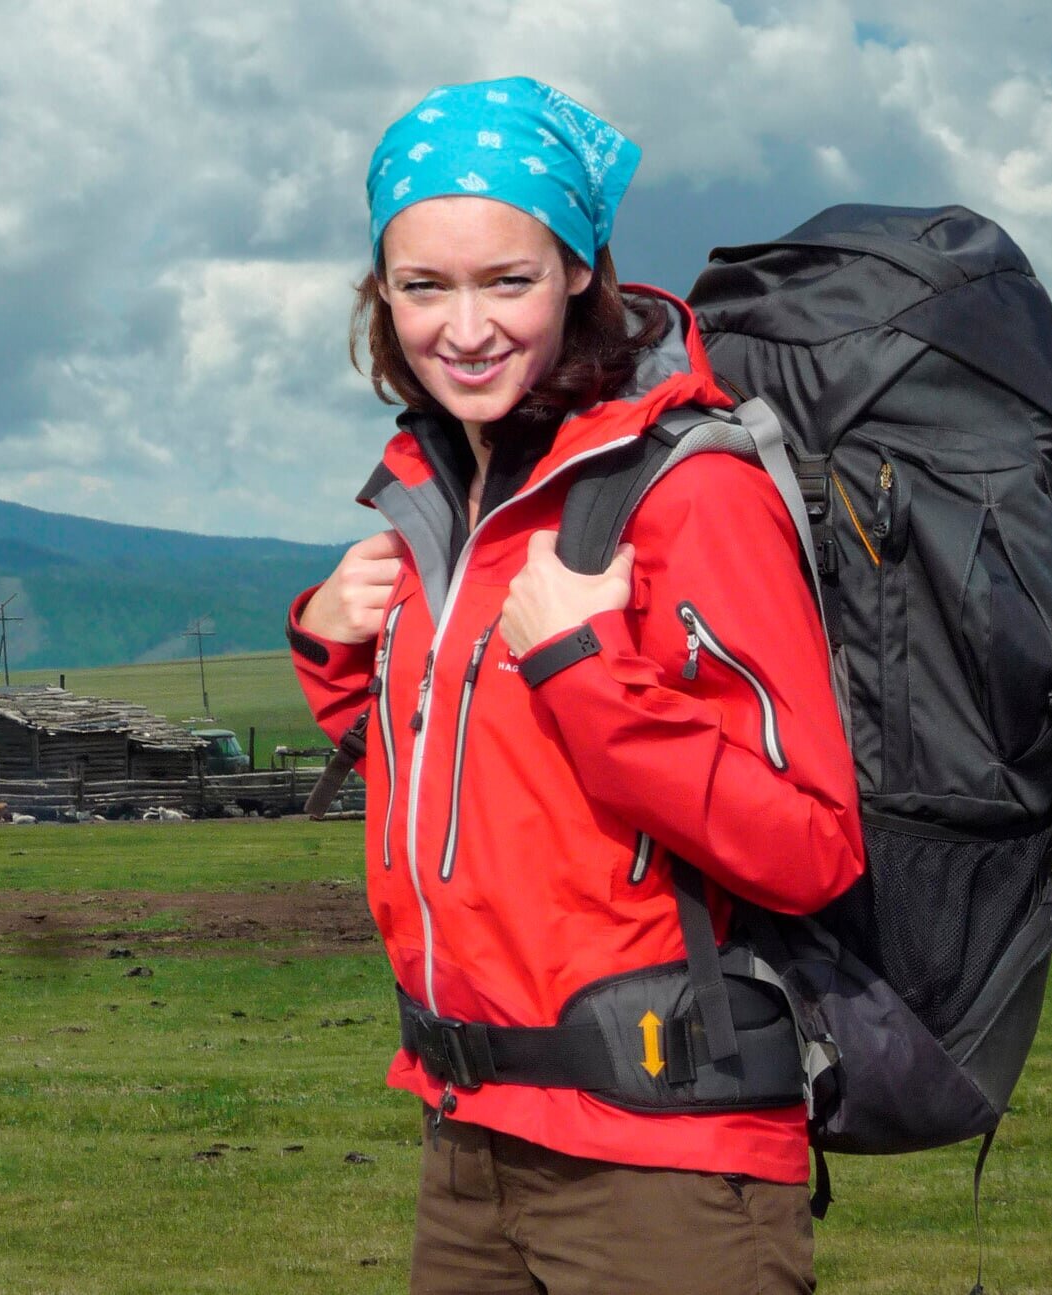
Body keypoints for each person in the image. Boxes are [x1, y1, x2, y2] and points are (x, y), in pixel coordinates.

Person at [287, 78, 866, 1294]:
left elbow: (809, 844)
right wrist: (336, 649)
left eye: (508, 280)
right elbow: (472, 786)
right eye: (422, 285)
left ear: (579, 277)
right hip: (469, 1139)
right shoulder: (449, 500)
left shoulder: (689, 493)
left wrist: (579, 669)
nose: (463, 326)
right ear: (378, 295)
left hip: (660, 1165)